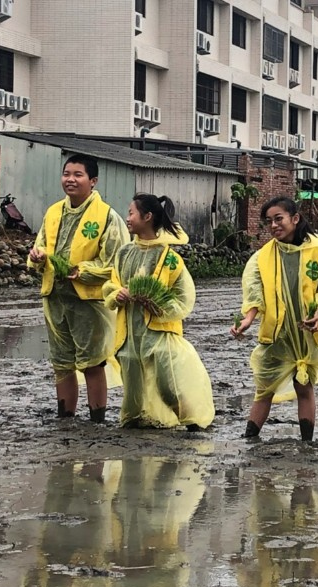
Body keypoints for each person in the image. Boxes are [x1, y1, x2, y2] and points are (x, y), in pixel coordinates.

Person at [229, 196, 318, 442]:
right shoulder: (263, 257)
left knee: (304, 387)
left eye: (278, 219)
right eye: (269, 221)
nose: (273, 225)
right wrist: (248, 319)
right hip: (277, 335)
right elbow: (254, 292)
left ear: (295, 218)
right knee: (264, 389)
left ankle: (307, 442)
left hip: (308, 335)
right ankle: (249, 439)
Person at [27, 154, 128, 423]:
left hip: (89, 302)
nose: (70, 180)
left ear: (93, 181)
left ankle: (97, 418)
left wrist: (81, 271)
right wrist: (37, 258)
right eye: (66, 174)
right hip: (55, 298)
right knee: (61, 363)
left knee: (92, 362)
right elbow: (40, 245)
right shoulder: (53, 212)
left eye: (78, 175)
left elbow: (116, 263)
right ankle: (66, 416)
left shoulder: (107, 217)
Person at [102, 193, 215, 430]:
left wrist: (157, 306)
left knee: (167, 384)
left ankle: (191, 420)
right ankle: (134, 420)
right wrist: (117, 294)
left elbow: (184, 297)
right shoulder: (124, 254)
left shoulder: (169, 259)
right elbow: (111, 285)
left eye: (131, 213)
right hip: (129, 334)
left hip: (159, 334)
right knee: (132, 386)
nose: (128, 218)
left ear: (148, 217)